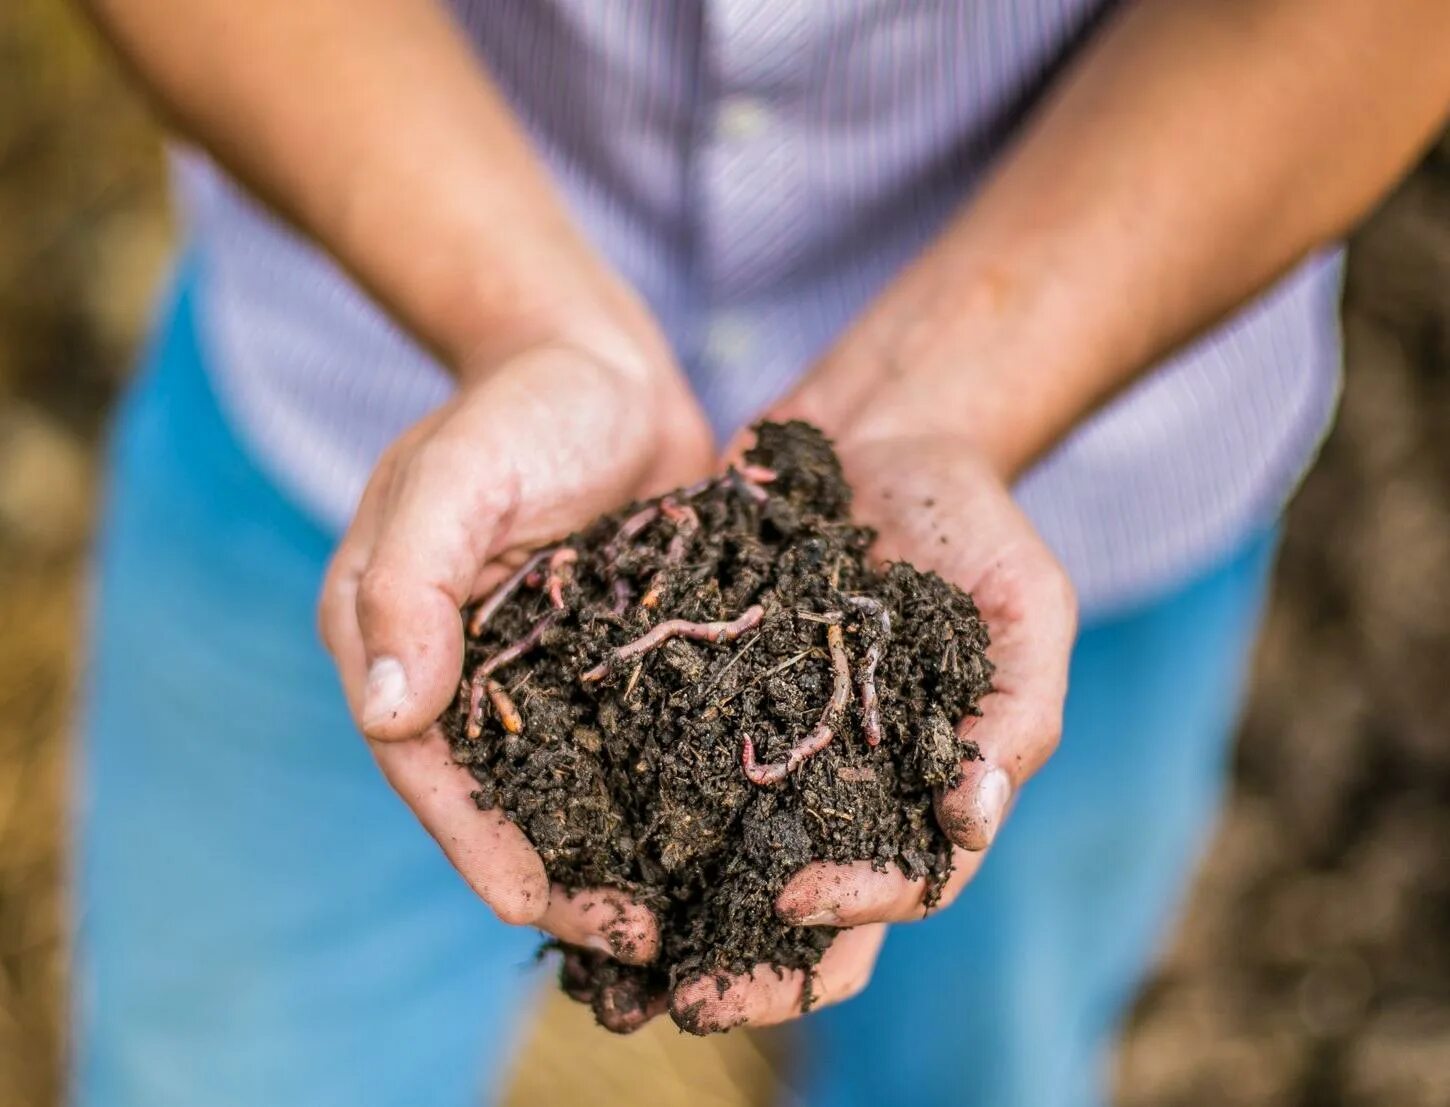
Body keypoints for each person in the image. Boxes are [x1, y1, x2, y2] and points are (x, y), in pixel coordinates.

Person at [72, 0, 1450, 1104]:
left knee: (983, 1065)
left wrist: (965, 391)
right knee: (224, 1059)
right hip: (373, 431)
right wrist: (512, 313)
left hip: (1098, 458)